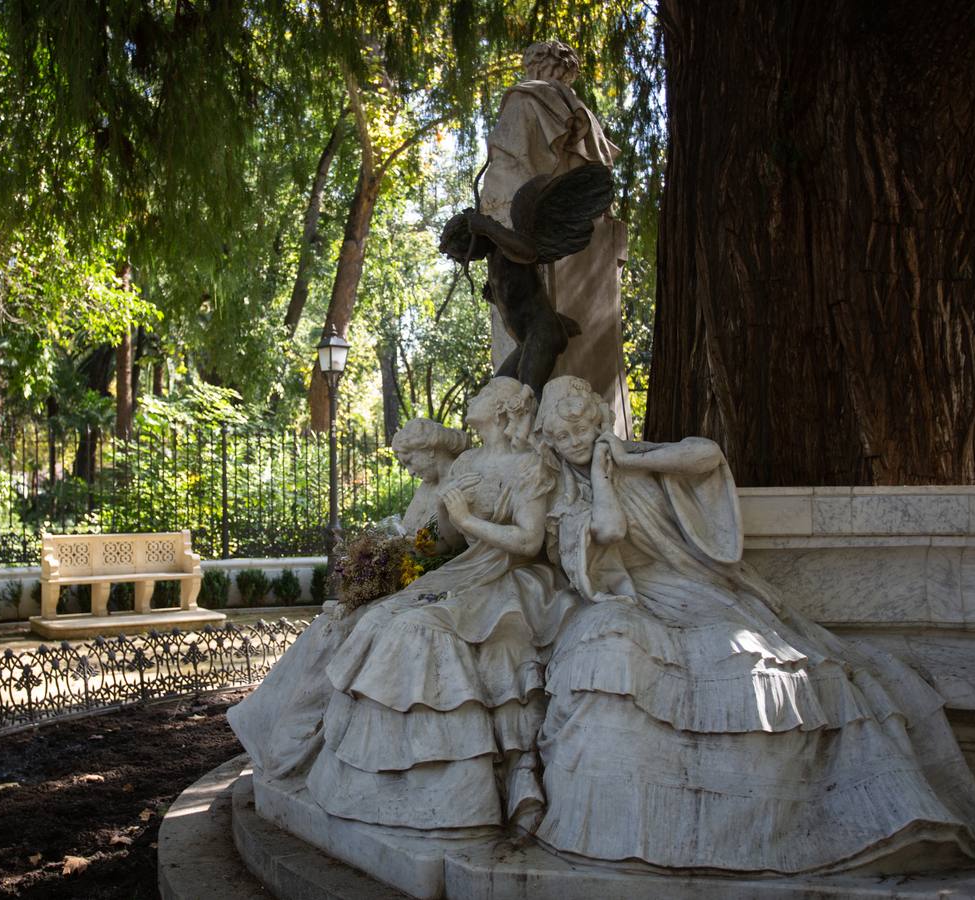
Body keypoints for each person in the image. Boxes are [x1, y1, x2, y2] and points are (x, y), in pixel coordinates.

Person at [531, 376, 975, 872]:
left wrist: (630, 458)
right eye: (564, 436)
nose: (576, 441)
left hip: (699, 591)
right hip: (642, 595)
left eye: (582, 428)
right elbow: (610, 528)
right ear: (550, 442)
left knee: (774, 666)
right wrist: (600, 472)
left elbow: (706, 455)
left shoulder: (643, 459)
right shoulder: (564, 501)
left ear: (599, 420)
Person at [302, 377, 575, 831]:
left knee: (417, 628)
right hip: (465, 570)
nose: (473, 398)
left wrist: (468, 518)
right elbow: (447, 537)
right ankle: (380, 777)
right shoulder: (467, 460)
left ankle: (453, 785)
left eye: (484, 394)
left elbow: (528, 541)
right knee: (381, 618)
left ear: (503, 410)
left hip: (510, 576)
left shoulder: (531, 465)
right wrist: (450, 517)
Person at [481, 40, 632, 434]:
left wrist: (488, 224)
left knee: (519, 368)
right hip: (580, 248)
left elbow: (508, 173)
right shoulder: (584, 117)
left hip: (533, 249)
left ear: (533, 64)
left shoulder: (523, 101)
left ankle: (517, 432)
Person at [389, 417, 470, 536]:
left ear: (430, 450)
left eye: (409, 462)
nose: (410, 472)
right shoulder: (427, 485)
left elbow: (455, 544)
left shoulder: (464, 479)